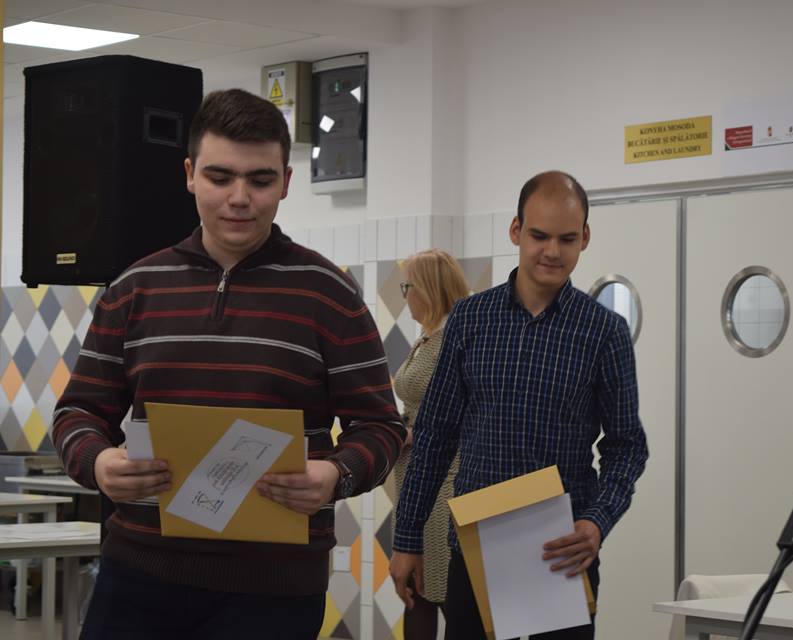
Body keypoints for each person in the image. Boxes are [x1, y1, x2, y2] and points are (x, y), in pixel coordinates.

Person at [52, 88, 404, 639]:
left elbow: (382, 426)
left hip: (275, 592)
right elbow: (77, 412)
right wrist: (98, 463)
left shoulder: (329, 294)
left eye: (260, 180)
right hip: (138, 575)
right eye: (220, 177)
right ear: (190, 174)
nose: (240, 198)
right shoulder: (135, 288)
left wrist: (337, 474)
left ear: (286, 182)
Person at [389, 170, 649, 639]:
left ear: (585, 238)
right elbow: (434, 437)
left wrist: (596, 522)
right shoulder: (471, 319)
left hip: (562, 553)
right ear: (516, 231)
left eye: (567, 239)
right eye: (539, 236)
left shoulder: (603, 332)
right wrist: (407, 539)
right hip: (475, 547)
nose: (552, 251)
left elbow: (627, 446)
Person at [391, 249, 470, 639]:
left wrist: (410, 432)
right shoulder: (428, 337)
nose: (405, 295)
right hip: (416, 482)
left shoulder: (452, 340)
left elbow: (460, 415)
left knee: (441, 593)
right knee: (415, 593)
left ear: (426, 288)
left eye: (407, 286)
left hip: (444, 487)